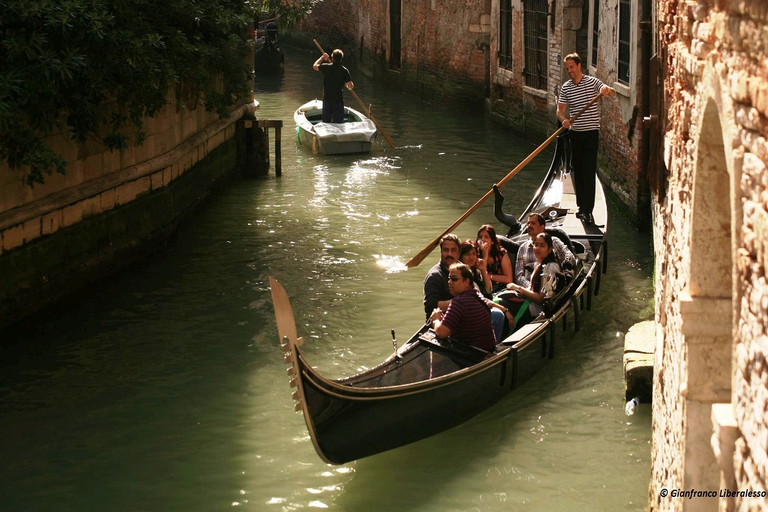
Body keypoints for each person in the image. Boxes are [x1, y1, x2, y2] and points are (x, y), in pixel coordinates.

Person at [556, 53, 616, 225]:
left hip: (591, 133)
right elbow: (559, 111)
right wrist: (564, 120)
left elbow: (610, 92)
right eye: (567, 68)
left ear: (579, 66)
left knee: (588, 170)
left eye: (571, 67)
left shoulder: (592, 82)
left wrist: (606, 90)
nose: (569, 71)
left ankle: (587, 211)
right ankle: (581, 205)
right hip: (575, 133)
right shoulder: (566, 88)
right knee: (577, 170)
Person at [423, 234, 511, 342]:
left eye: (453, 250)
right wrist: (458, 304)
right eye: (446, 250)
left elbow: (478, 294)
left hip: (465, 317)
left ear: (459, 253)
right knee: (496, 316)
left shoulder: (462, 269)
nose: (449, 254)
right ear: (441, 252)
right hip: (448, 321)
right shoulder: (435, 276)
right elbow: (430, 306)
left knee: (497, 315)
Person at [496, 233, 564, 329]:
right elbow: (531, 289)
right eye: (536, 245)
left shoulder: (550, 268)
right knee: (497, 298)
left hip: (536, 309)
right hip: (529, 301)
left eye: (542, 246)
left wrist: (518, 287)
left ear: (549, 249)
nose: (537, 248)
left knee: (499, 303)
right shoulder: (539, 265)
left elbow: (540, 298)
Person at [428, 263, 496, 351]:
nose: (449, 282)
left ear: (466, 282)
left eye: (454, 279)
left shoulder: (459, 302)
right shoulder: (476, 294)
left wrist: (436, 319)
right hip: (487, 349)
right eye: (449, 278)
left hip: (473, 354)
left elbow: (441, 333)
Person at [515, 213, 576, 288]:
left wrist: (567, 268)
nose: (529, 226)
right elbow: (519, 276)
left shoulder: (554, 241)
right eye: (528, 223)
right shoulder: (522, 248)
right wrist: (532, 287)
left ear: (542, 227)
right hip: (528, 289)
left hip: (551, 287)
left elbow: (568, 255)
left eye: (533, 223)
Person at [313, 49, 354, 123]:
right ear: (341, 59)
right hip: (338, 100)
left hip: (327, 99)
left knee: (326, 122)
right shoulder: (344, 71)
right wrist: (346, 84)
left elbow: (315, 66)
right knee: (338, 123)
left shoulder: (326, 67)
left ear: (332, 58)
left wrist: (322, 57)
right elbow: (350, 87)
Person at [476, 224, 513, 291]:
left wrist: (489, 277)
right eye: (480, 237)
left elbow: (508, 278)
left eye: (486, 237)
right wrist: (485, 256)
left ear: (492, 241)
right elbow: (480, 276)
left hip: (500, 288)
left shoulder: (501, 253)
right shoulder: (475, 254)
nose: (483, 239)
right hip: (483, 288)